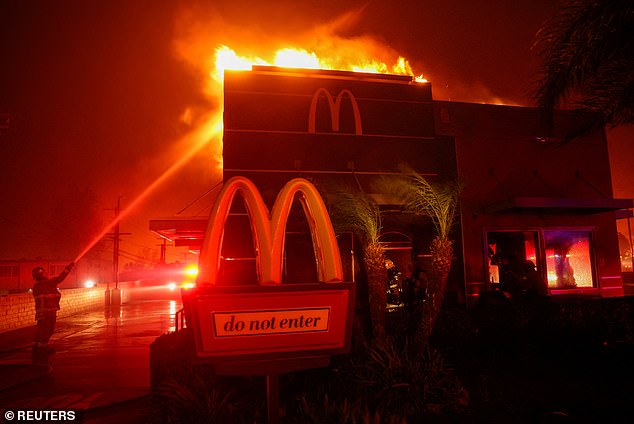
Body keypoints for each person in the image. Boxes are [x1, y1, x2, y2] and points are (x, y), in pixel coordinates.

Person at [32, 262, 75, 353]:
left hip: (41, 313)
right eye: (45, 273)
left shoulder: (37, 287)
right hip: (49, 312)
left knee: (41, 330)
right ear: (42, 274)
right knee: (48, 330)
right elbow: (60, 278)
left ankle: (37, 346)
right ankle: (43, 348)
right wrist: (68, 268)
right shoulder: (48, 283)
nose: (47, 274)